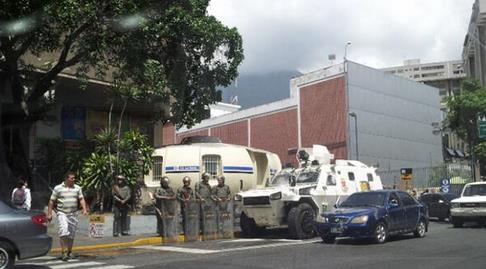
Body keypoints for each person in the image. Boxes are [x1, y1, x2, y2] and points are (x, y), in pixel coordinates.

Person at [47, 172, 88, 261]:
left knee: (71, 234)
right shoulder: (58, 188)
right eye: (72, 178)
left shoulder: (77, 188)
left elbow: (81, 199)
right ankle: (64, 252)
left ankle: (69, 251)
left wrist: (84, 209)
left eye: (74, 178)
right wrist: (49, 213)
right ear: (66, 179)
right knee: (64, 231)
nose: (74, 180)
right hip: (62, 213)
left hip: (73, 214)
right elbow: (51, 201)